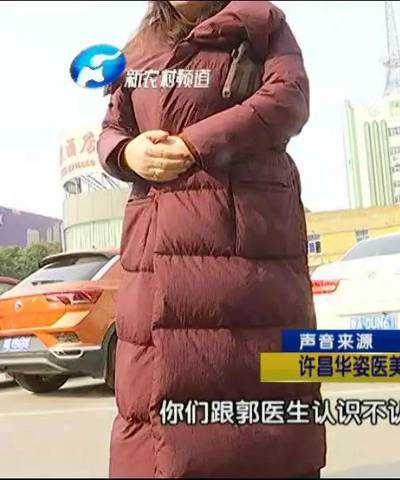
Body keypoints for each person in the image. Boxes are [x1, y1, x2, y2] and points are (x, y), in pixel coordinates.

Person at [98, 1, 325, 477]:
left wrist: (195, 143)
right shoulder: (138, 50)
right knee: (151, 408)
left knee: (255, 396)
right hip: (154, 252)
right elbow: (113, 127)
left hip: (248, 249)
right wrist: (126, 151)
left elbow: (288, 97)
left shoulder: (260, 24)